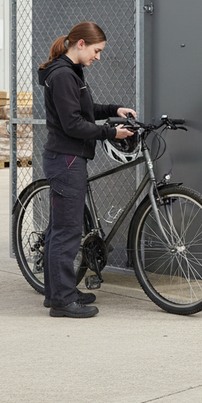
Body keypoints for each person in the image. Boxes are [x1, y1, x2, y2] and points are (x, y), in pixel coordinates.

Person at [37, 22, 136, 318]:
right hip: (67, 160)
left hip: (65, 158)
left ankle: (58, 293)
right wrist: (110, 132)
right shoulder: (63, 75)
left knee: (59, 230)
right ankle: (62, 301)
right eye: (97, 50)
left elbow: (85, 109)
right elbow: (73, 124)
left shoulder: (70, 71)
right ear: (80, 44)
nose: (98, 57)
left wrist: (114, 109)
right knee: (67, 232)